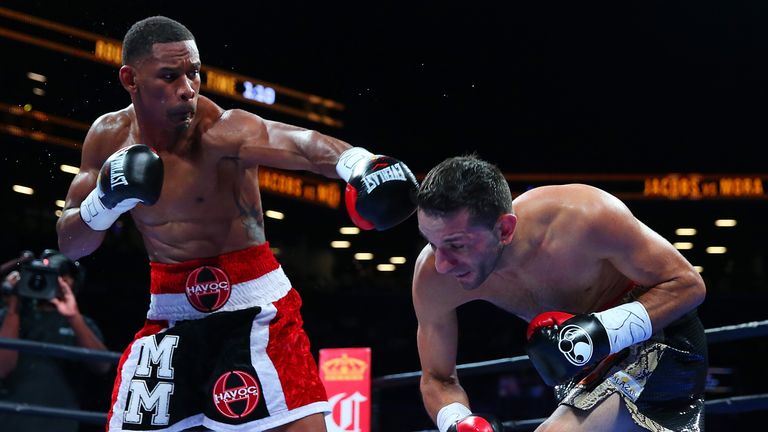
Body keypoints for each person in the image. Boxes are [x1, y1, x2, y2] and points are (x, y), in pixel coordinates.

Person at [56, 15, 418, 432]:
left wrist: (358, 163)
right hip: (169, 309)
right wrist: (103, 202)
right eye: (170, 76)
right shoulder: (108, 138)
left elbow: (298, 144)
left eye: (194, 72)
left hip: (250, 302)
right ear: (130, 79)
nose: (188, 88)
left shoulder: (222, 130)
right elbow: (73, 245)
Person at [412, 155, 707, 432]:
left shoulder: (583, 216)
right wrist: (458, 422)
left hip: (659, 338)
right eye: (432, 243)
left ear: (504, 229)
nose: (442, 263)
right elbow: (438, 378)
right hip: (582, 366)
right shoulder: (433, 276)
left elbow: (687, 284)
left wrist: (599, 331)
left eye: (457, 245)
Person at [0, 251, 110, 432]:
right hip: (9, 422)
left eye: (62, 277)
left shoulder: (81, 324)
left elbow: (102, 366)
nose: (56, 282)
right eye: (50, 276)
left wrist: (73, 317)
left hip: (59, 424)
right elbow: (2, 369)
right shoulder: (9, 316)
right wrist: (14, 306)